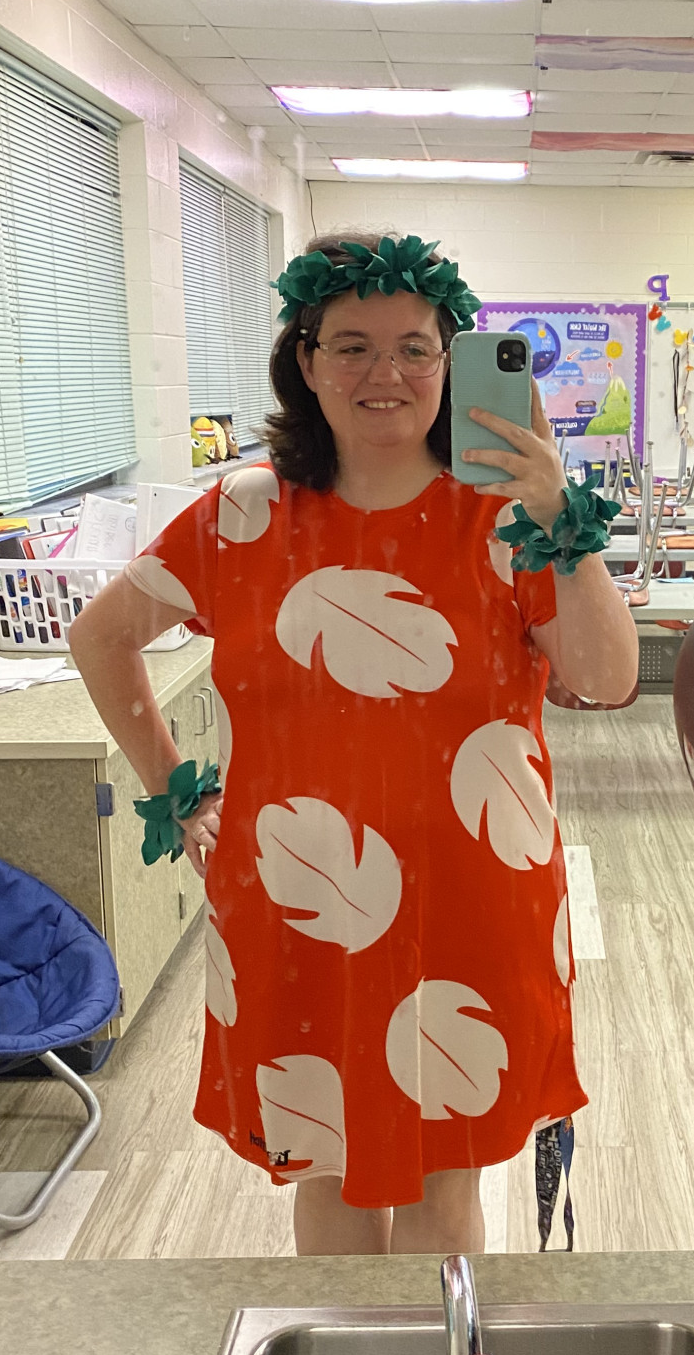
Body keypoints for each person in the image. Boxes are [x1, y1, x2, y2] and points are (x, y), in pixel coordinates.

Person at [68, 232, 639, 1255]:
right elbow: (101, 636)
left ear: (451, 362)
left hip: (473, 897)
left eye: (416, 347)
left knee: (444, 1187)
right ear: (306, 360)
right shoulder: (243, 514)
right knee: (326, 1172)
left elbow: (606, 677)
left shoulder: (507, 517)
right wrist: (180, 793)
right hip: (299, 899)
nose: (388, 373)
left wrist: (561, 513)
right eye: (353, 346)